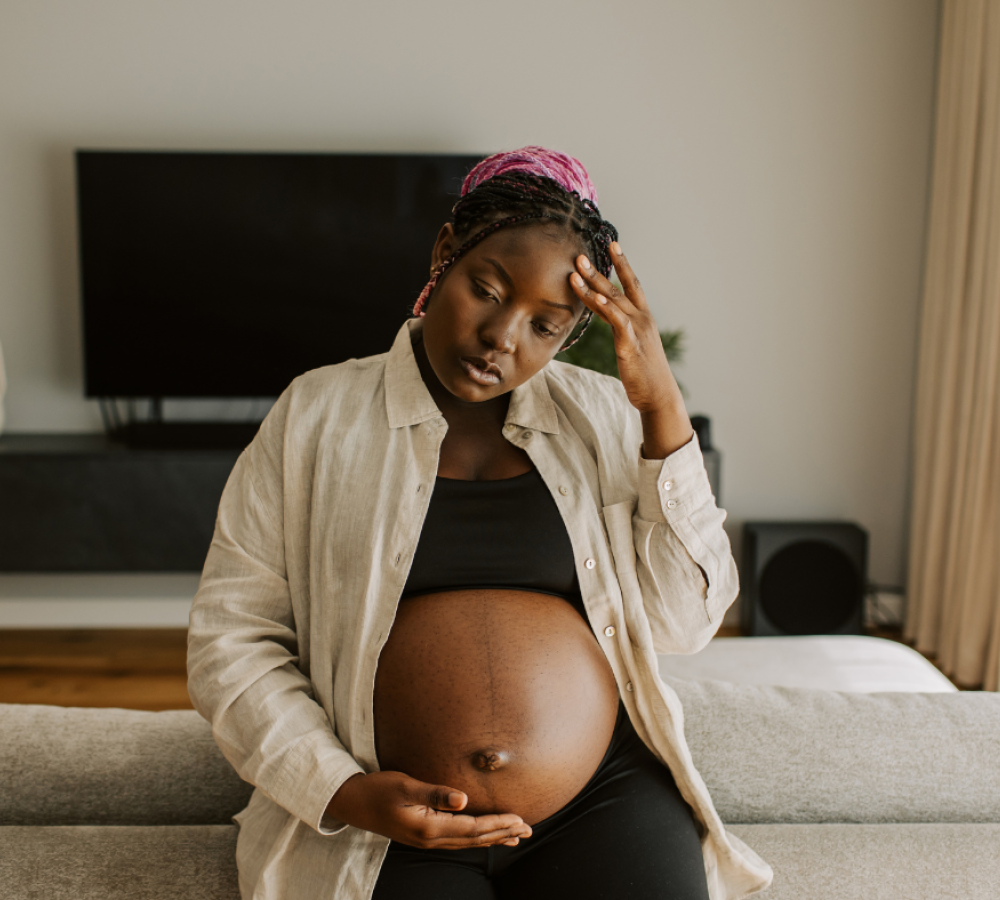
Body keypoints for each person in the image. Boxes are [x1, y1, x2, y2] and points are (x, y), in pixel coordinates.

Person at [187, 146, 773, 900]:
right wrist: (343, 793)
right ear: (444, 255)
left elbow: (684, 622)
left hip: (600, 800)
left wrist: (661, 412)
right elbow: (230, 639)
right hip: (384, 816)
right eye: (487, 290)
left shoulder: (603, 416)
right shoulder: (316, 414)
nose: (503, 336)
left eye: (545, 325)